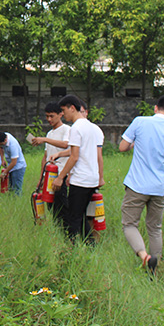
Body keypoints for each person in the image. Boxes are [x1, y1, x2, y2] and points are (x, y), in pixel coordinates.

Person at [119, 95, 164, 272]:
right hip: (159, 188)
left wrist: (135, 145)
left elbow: (122, 147)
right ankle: (155, 267)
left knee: (130, 224)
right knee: (155, 228)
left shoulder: (140, 122)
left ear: (156, 108)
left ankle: (144, 255)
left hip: (137, 185)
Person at [51, 95, 104, 241]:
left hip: (81, 180)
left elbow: (74, 157)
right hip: (91, 179)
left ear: (72, 108)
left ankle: (71, 250)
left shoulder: (76, 128)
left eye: (63, 110)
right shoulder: (92, 127)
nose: (63, 114)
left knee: (73, 218)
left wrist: (60, 177)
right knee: (79, 215)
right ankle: (90, 245)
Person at [31, 101, 72, 226]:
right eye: (47, 116)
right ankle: (58, 228)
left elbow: (66, 145)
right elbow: (45, 157)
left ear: (60, 114)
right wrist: (41, 178)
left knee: (62, 204)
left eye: (52, 116)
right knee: (50, 204)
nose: (49, 119)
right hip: (48, 175)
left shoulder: (67, 129)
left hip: (61, 174)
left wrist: (44, 139)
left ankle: (67, 231)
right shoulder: (50, 133)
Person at [0, 131, 27, 195]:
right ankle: (12, 200)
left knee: (16, 189)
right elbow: (1, 148)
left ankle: (18, 201)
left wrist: (4, 173)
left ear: (5, 140)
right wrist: (2, 159)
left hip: (18, 167)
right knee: (11, 187)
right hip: (11, 166)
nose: (0, 145)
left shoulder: (13, 145)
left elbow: (14, 162)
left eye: (1, 143)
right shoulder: (4, 136)